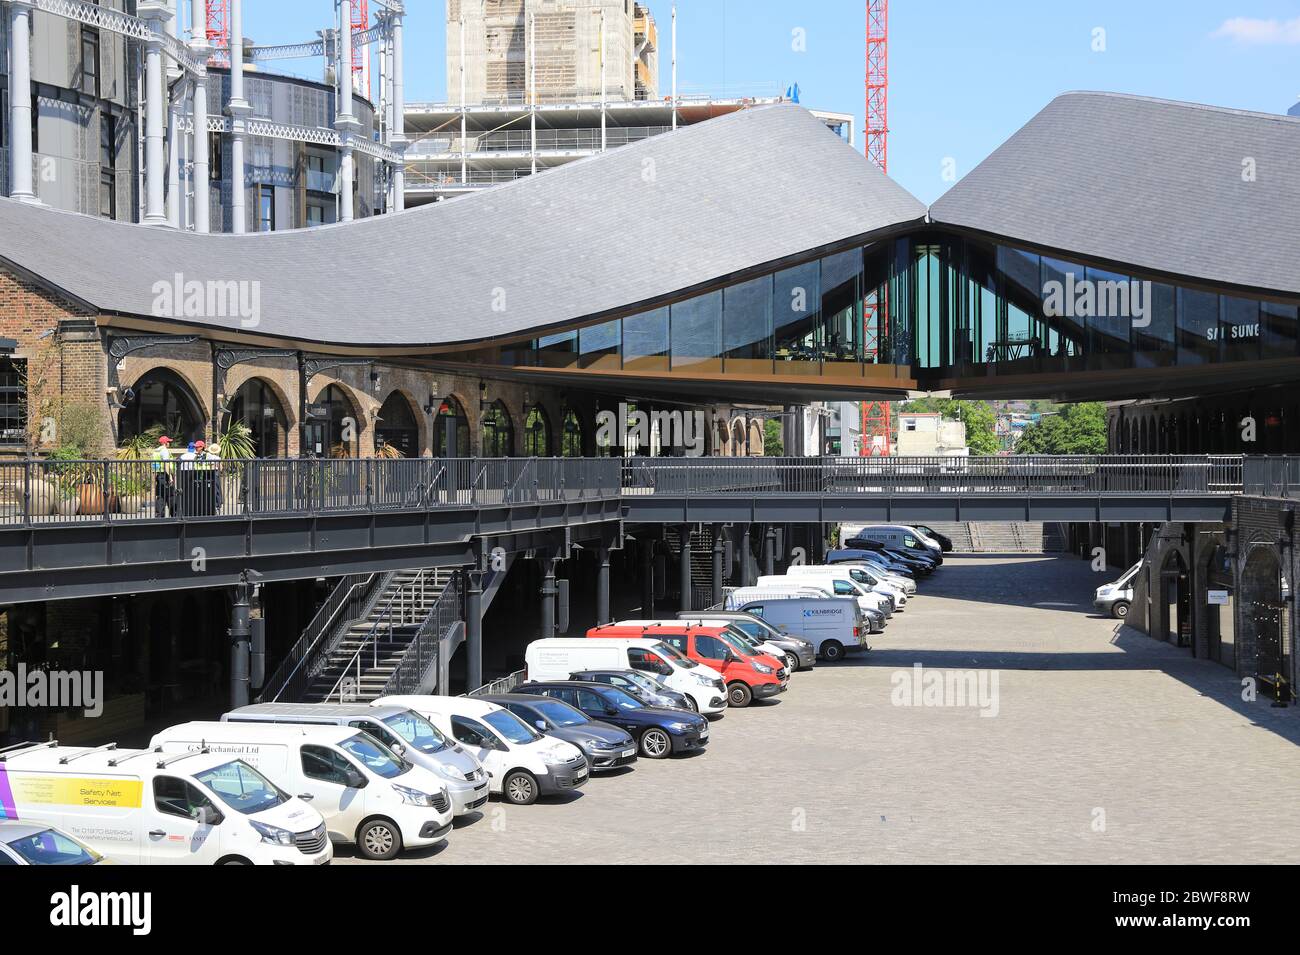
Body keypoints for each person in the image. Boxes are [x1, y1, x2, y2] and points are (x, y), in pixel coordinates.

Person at [150, 435, 175, 517]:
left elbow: (154, 466)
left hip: (159, 475)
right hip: (165, 475)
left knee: (161, 495)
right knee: (170, 495)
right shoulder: (164, 451)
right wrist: (170, 477)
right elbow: (166, 464)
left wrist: (155, 476)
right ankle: (174, 514)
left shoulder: (156, 451)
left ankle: (159, 515)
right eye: (168, 442)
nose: (169, 443)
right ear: (165, 443)